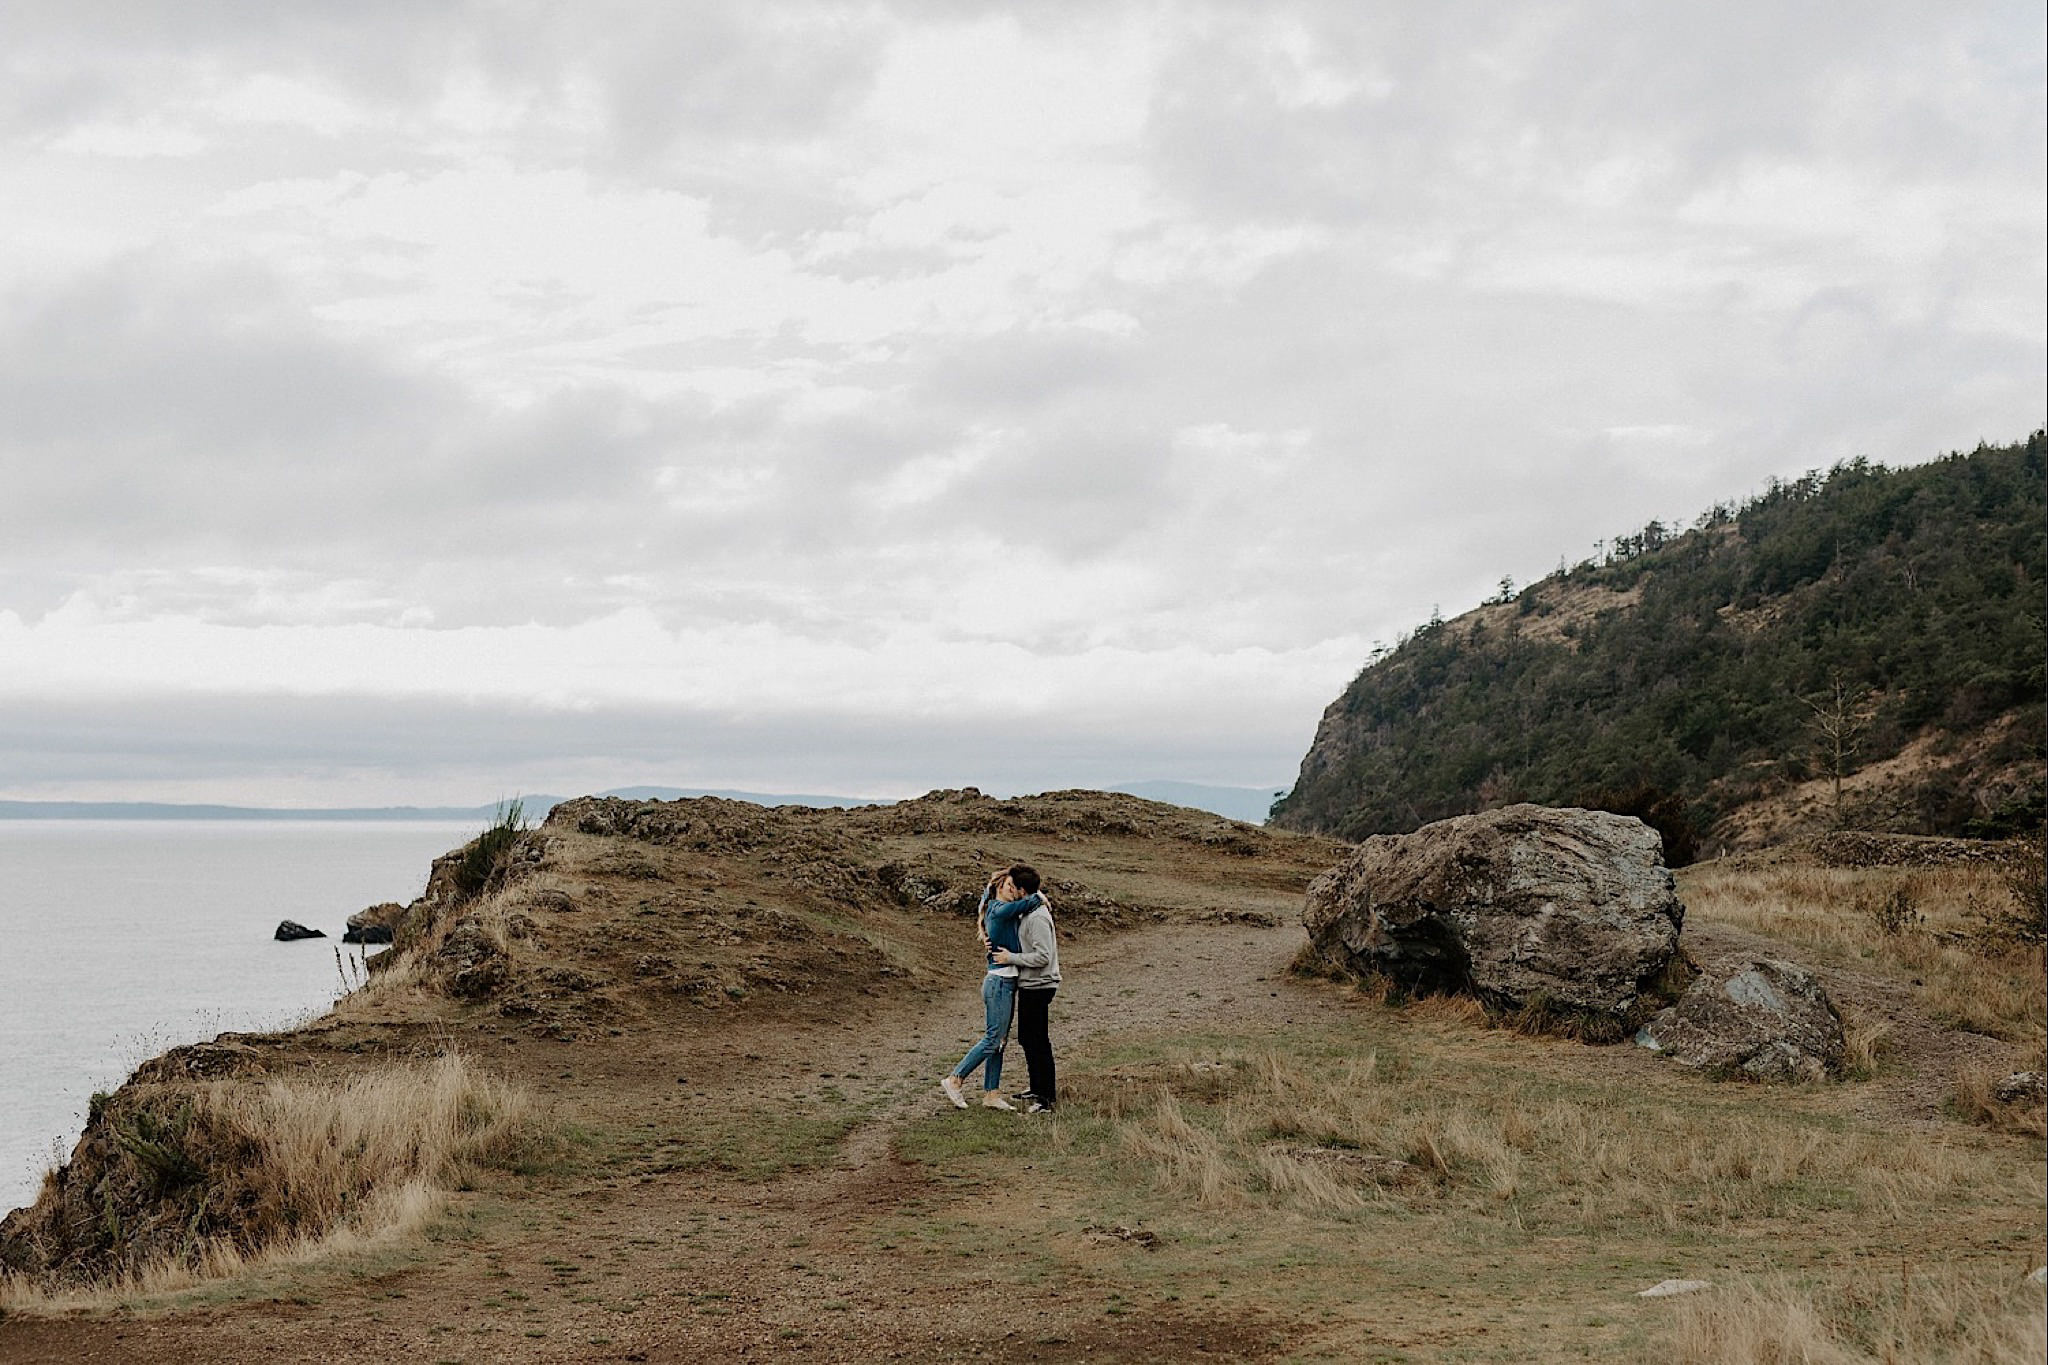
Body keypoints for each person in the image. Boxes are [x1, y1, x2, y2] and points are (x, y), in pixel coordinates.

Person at [940, 864, 1044, 1111]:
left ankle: (991, 1093)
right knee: (992, 1039)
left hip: (1004, 982)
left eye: (1014, 887)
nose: (1013, 891)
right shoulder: (1000, 910)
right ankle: (955, 1079)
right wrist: (1039, 895)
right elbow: (1029, 903)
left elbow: (995, 899)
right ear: (999, 886)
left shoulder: (995, 907)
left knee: (1000, 1041)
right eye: (1009, 886)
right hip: (999, 983)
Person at [1000, 888, 1059, 1112]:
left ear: (1022, 890)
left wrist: (1011, 958)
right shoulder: (1028, 911)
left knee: (1038, 1040)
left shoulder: (1038, 918)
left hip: (1040, 985)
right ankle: (1037, 1087)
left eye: (1014, 887)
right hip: (1030, 984)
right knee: (1027, 1038)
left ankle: (1046, 1097)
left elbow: (1043, 956)